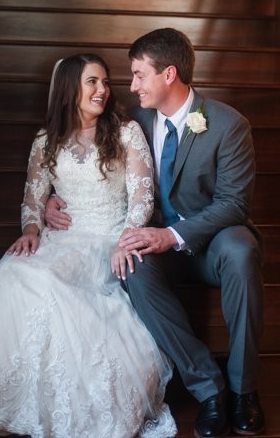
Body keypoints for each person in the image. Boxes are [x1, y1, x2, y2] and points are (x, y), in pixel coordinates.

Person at [46, 28, 264, 437]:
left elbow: (234, 204)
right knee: (133, 267)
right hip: (156, 242)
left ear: (169, 74)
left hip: (214, 241)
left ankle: (244, 390)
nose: (131, 86)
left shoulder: (228, 124)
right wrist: (51, 199)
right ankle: (208, 388)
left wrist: (173, 236)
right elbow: (86, 161)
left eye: (138, 75)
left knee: (242, 250)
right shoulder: (134, 120)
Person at [0, 53, 176, 437]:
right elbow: (33, 198)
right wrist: (32, 228)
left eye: (104, 82)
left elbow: (142, 198)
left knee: (49, 286)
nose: (102, 89)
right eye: (92, 82)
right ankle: (21, 395)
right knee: (5, 276)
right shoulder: (46, 139)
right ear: (70, 88)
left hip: (105, 240)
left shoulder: (126, 132)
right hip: (61, 238)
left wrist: (126, 240)